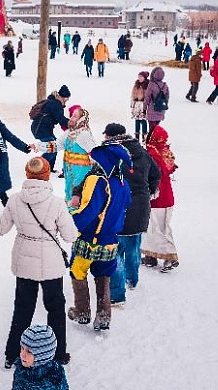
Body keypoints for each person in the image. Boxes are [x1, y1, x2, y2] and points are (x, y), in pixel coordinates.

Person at [67, 142, 132, 331]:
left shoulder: (97, 181)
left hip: (89, 239)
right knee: (103, 275)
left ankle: (82, 311)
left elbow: (89, 210)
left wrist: (70, 224)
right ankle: (103, 316)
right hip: (110, 240)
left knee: (77, 271)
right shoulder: (122, 183)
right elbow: (127, 203)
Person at [103, 125, 160, 301]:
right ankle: (132, 280)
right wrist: (149, 190)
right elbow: (156, 174)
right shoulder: (142, 152)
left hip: (117, 207)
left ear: (110, 136)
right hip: (141, 206)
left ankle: (117, 293)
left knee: (115, 251)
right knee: (133, 245)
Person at [141, 126, 179, 272]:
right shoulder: (165, 151)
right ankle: (151, 256)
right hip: (167, 196)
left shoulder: (151, 153)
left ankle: (170, 257)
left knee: (156, 228)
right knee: (157, 227)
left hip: (157, 198)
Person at [51, 105, 96, 204]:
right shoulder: (69, 133)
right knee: (69, 196)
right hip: (69, 173)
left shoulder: (84, 134)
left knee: (78, 199)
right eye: (71, 116)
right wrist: (37, 146)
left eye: (75, 116)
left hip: (81, 174)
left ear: (81, 119)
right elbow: (56, 145)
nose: (71, 118)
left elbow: (95, 154)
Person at [10, 325, 69, 389]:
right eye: (22, 348)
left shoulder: (53, 382)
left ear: (42, 356)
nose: (22, 354)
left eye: (29, 352)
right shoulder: (22, 368)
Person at [30, 85, 71, 173]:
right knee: (52, 149)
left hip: (42, 128)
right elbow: (61, 120)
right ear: (64, 97)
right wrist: (73, 124)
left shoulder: (53, 101)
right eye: (67, 97)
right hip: (41, 129)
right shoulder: (56, 104)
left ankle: (49, 168)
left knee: (54, 146)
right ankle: (37, 167)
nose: (67, 100)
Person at [144, 67, 169, 138]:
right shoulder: (165, 85)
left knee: (151, 128)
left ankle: (149, 142)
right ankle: (155, 141)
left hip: (152, 109)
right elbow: (167, 97)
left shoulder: (151, 84)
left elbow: (147, 97)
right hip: (161, 109)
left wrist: (144, 108)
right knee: (156, 128)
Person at [131, 72, 150, 139]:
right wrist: (132, 103)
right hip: (136, 104)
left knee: (143, 120)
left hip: (143, 105)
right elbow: (132, 94)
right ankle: (136, 136)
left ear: (144, 78)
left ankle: (144, 136)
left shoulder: (147, 85)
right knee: (137, 120)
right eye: (139, 76)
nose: (139, 78)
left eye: (141, 77)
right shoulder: (136, 84)